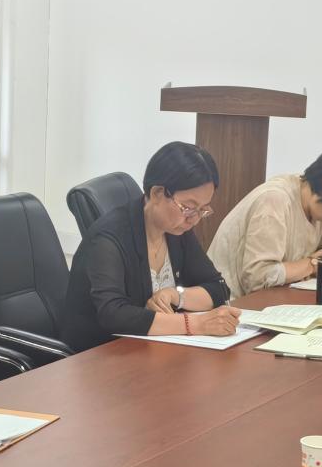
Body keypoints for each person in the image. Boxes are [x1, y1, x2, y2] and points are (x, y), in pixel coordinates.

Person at [62, 142, 241, 351]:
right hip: (97, 355)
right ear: (157, 193)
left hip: (148, 350)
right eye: (188, 207)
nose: (194, 219)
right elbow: (113, 314)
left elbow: (218, 288)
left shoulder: (176, 230)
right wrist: (195, 324)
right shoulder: (107, 239)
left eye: (202, 209)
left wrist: (176, 295)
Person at [207, 146, 322, 296]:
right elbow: (258, 278)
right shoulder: (274, 201)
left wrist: (310, 264)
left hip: (276, 300)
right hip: (230, 306)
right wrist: (314, 264)